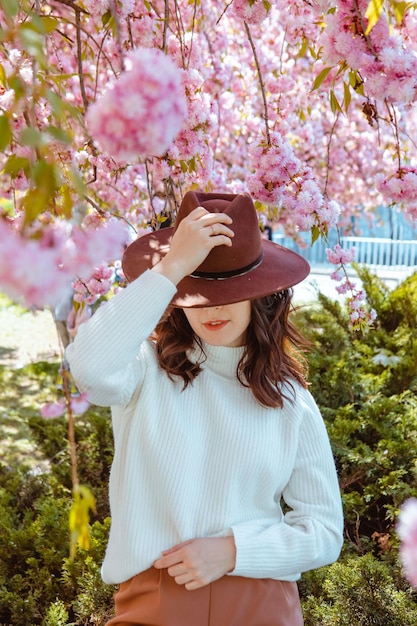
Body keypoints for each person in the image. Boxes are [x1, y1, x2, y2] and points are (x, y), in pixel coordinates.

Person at [66, 190, 344, 626]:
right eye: (196, 287)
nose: (212, 305)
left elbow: (324, 531)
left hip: (261, 600)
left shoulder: (290, 400)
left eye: (233, 288)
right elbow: (88, 368)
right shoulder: (143, 370)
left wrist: (234, 551)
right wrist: (173, 265)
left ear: (262, 294)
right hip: (154, 598)